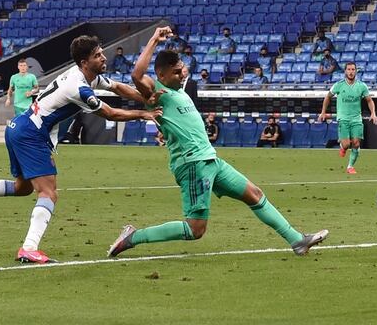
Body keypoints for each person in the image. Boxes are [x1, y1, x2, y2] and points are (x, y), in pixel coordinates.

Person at [105, 27, 327, 259]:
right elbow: (137, 76)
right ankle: (132, 237)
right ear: (161, 75)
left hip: (210, 159)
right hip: (192, 164)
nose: (182, 75)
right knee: (195, 229)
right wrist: (153, 39)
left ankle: (297, 240)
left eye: (182, 70)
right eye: (176, 72)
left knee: (254, 193)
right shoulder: (155, 92)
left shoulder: (178, 90)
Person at [0, 35, 162, 264]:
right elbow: (110, 113)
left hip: (20, 128)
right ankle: (29, 248)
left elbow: (117, 87)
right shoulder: (79, 88)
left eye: (102, 52)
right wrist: (144, 114)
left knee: (22, 188)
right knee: (48, 192)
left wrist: (147, 100)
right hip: (31, 134)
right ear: (85, 62)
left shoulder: (87, 76)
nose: (103, 57)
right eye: (97, 56)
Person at [319, 62, 377, 175]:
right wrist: (323, 112)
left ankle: (350, 166)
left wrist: (373, 113)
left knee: (356, 143)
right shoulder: (339, 85)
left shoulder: (362, 86)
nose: (351, 72)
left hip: (356, 119)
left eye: (353, 69)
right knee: (346, 144)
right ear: (345, 71)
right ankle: (342, 146)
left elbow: (369, 100)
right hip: (343, 119)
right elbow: (328, 97)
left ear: (356, 71)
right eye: (349, 69)